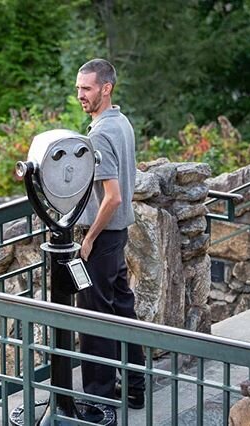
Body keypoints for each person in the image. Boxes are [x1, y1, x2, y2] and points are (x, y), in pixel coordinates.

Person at [74, 59, 146, 410]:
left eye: (86, 88)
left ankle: (98, 400)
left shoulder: (100, 132)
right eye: (78, 88)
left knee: (95, 316)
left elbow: (113, 196)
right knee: (121, 309)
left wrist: (88, 239)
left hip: (102, 238)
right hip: (119, 235)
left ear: (106, 88)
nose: (80, 95)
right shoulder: (122, 122)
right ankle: (135, 385)